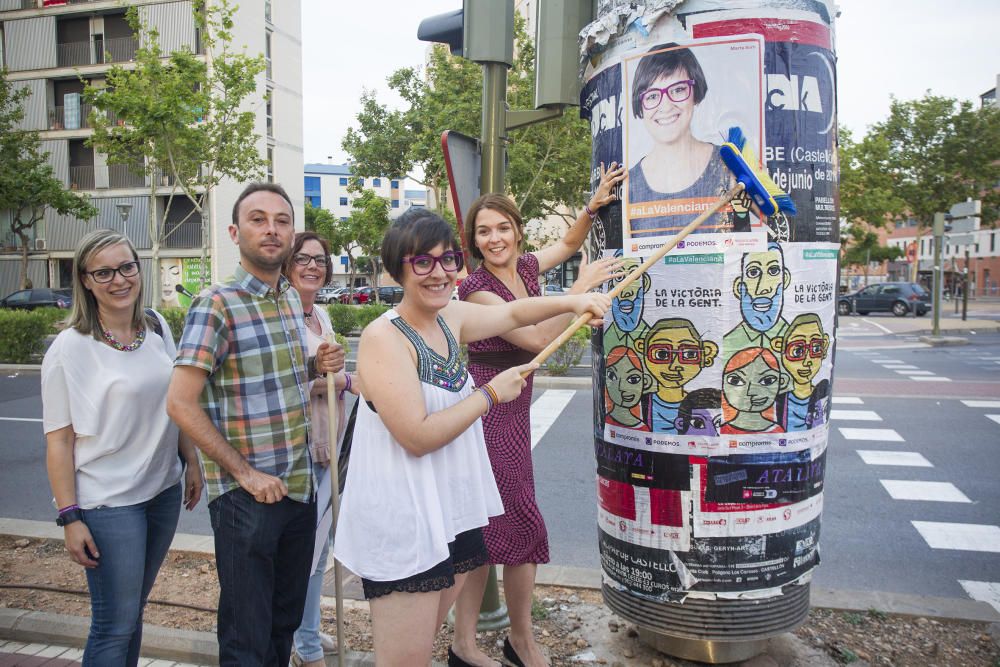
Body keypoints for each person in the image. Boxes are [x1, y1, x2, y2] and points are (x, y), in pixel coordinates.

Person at [333, 209, 609, 667]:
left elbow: (515, 311)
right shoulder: (385, 337)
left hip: (451, 516)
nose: (439, 272)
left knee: (420, 652)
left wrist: (571, 302)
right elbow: (416, 436)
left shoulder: (449, 317)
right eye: (422, 262)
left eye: (448, 260)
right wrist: (489, 395)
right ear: (396, 268)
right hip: (407, 524)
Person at [166, 183, 343, 667]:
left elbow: (275, 381)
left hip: (298, 490)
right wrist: (243, 473)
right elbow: (181, 403)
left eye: (282, 220)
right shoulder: (215, 304)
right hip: (247, 499)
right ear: (234, 231)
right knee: (246, 639)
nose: (272, 229)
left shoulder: (289, 299)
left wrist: (317, 364)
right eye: (258, 219)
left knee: (281, 630)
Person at [454, 166, 624, 667]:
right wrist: (580, 296)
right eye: (484, 231)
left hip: (515, 407)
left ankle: (477, 644)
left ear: (517, 230)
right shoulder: (478, 290)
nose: (494, 238)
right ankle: (514, 642)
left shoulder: (526, 268)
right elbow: (533, 340)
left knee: (487, 531)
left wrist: (592, 208)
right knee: (514, 528)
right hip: (490, 409)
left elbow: (568, 245)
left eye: (502, 227)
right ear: (474, 241)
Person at [41, 229, 202, 667]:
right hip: (109, 505)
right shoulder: (69, 350)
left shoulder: (155, 326)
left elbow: (176, 401)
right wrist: (70, 517)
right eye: (104, 272)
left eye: (126, 267)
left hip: (161, 494)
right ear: (86, 280)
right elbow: (59, 441)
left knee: (131, 616)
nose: (119, 280)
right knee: (114, 624)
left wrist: (191, 461)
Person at [283, 232, 357, 667]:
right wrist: (344, 381)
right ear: (288, 265)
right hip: (304, 449)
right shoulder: (285, 317)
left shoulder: (319, 316)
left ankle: (306, 629)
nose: (313, 266)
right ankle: (304, 645)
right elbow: (288, 381)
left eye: (320, 259)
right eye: (303, 259)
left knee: (323, 545)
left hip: (332, 445)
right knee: (309, 552)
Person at [627, 43, 749, 237]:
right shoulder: (628, 185)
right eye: (652, 96)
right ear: (640, 106)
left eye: (677, 90)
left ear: (695, 93)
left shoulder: (731, 164)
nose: (665, 106)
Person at [633, 318, 718, 434]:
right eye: (661, 354)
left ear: (705, 354)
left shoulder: (701, 405)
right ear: (643, 349)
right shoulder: (640, 403)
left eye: (689, 354)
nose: (674, 365)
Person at [724, 242, 791, 354]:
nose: (763, 289)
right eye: (753, 272)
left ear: (785, 280)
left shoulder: (797, 342)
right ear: (738, 287)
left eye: (773, 271)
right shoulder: (727, 346)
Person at [771, 313, 830, 432]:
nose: (807, 361)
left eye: (816, 349)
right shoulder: (778, 400)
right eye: (797, 351)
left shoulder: (821, 393)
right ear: (780, 346)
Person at [720, 347, 790, 434]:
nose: (750, 392)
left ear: (782, 382)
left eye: (767, 381)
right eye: (735, 380)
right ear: (722, 383)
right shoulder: (722, 431)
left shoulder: (778, 431)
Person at [604, 345, 654, 431]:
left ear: (645, 382)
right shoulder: (604, 421)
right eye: (612, 376)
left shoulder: (644, 429)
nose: (622, 387)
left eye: (633, 379)